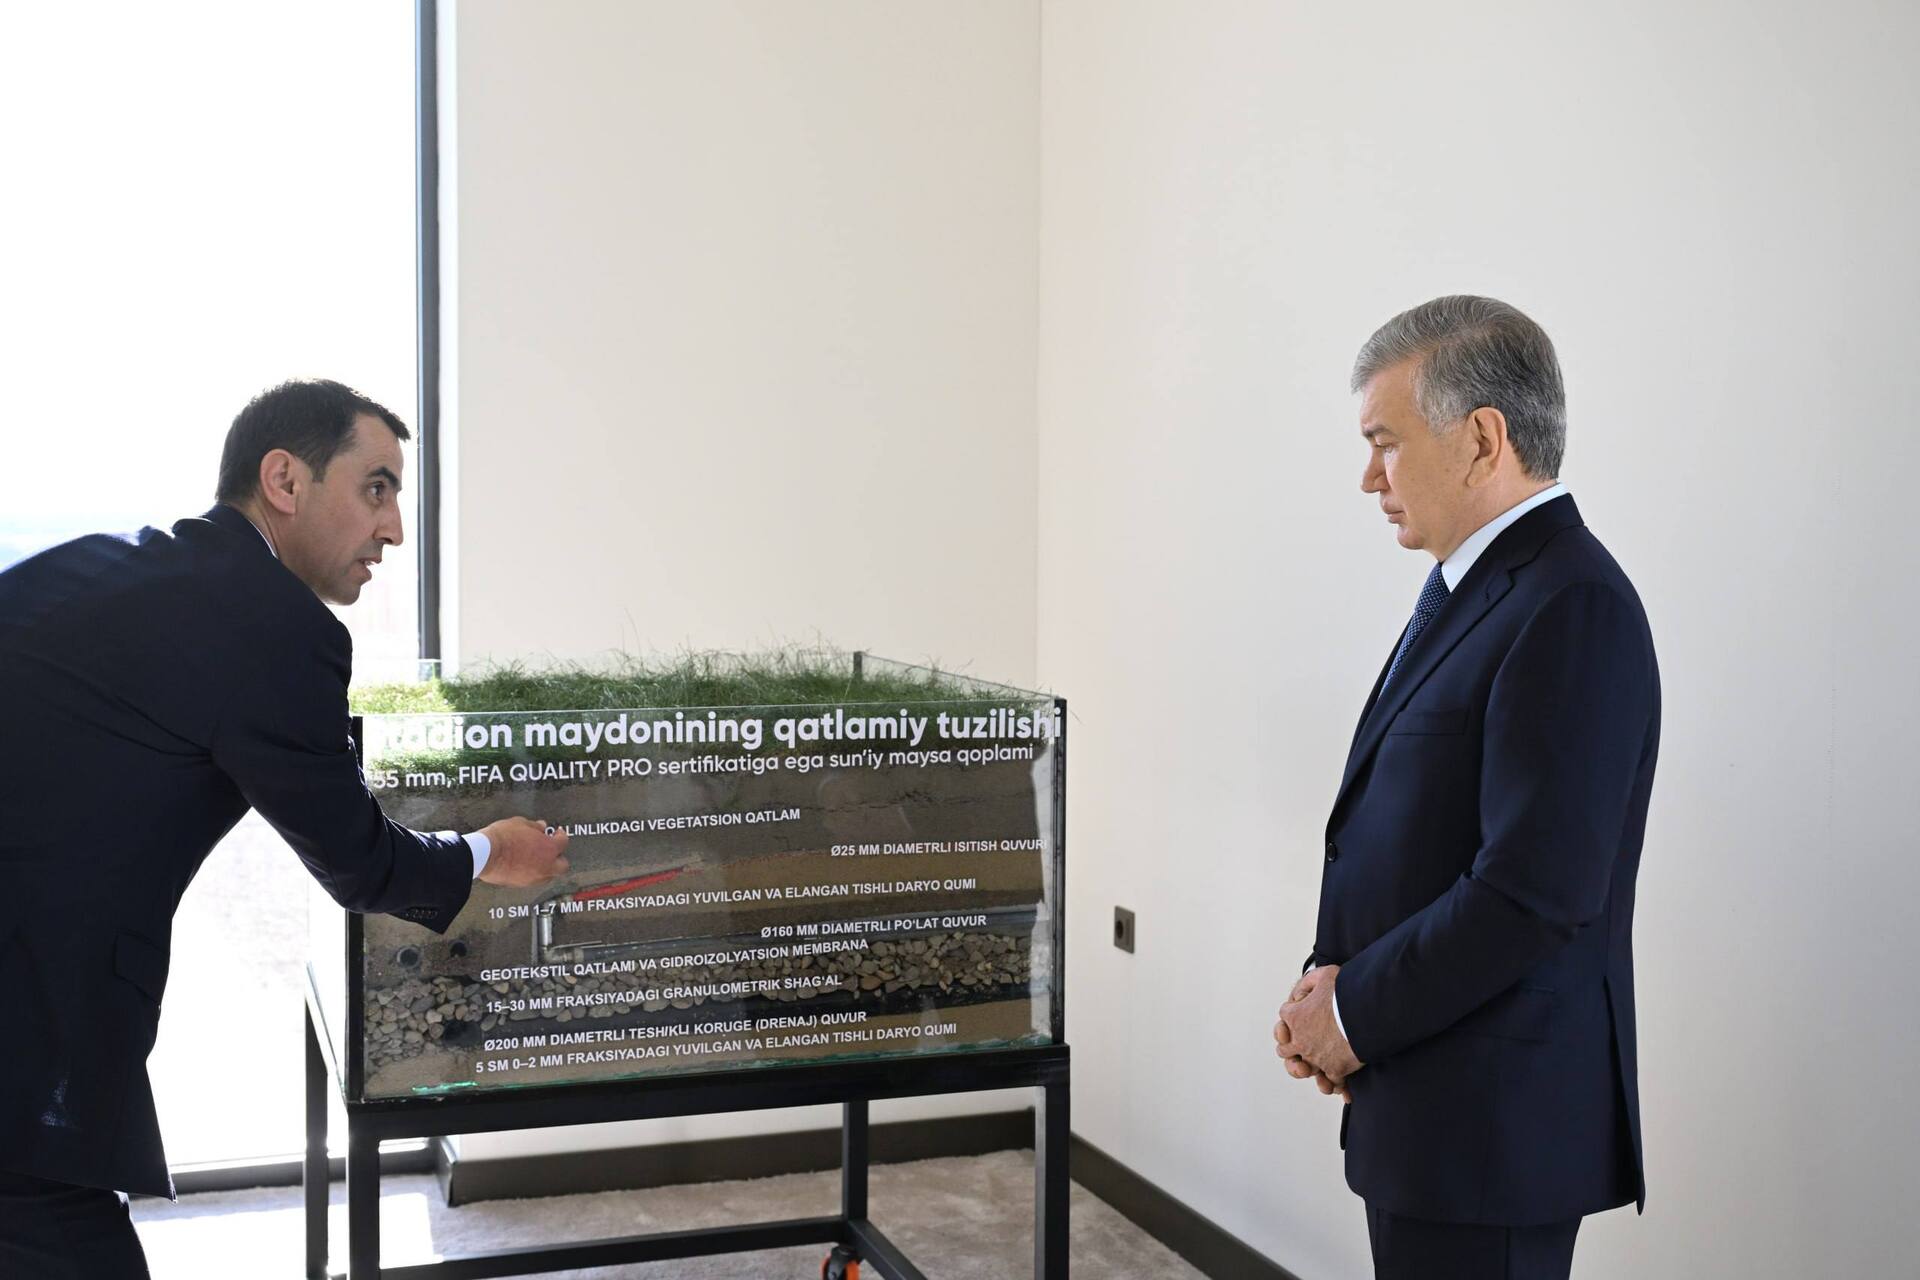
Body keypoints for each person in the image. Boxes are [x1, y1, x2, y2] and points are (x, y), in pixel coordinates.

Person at [0, 379, 572, 1279]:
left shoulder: (108, 568)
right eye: (375, 488)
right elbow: (361, 862)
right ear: (284, 480)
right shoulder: (271, 623)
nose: (394, 529)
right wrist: (492, 852)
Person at [1272, 298, 1661, 1279]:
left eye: (1385, 443)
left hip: (1493, 1130)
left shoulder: (1570, 604)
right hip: (1433, 1099)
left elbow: (1533, 890)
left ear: (1483, 438)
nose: (1370, 478)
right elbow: (1415, 834)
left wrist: (1353, 1013)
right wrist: (1331, 993)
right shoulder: (1481, 591)